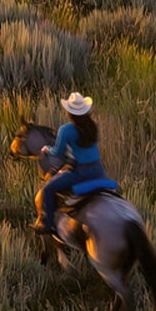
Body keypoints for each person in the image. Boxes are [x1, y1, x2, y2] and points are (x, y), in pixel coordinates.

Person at [33, 91, 107, 238]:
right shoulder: (92, 127)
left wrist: (47, 149)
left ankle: (48, 224)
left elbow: (58, 153)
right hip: (98, 170)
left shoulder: (66, 130)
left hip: (81, 173)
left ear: (70, 113)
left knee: (48, 189)